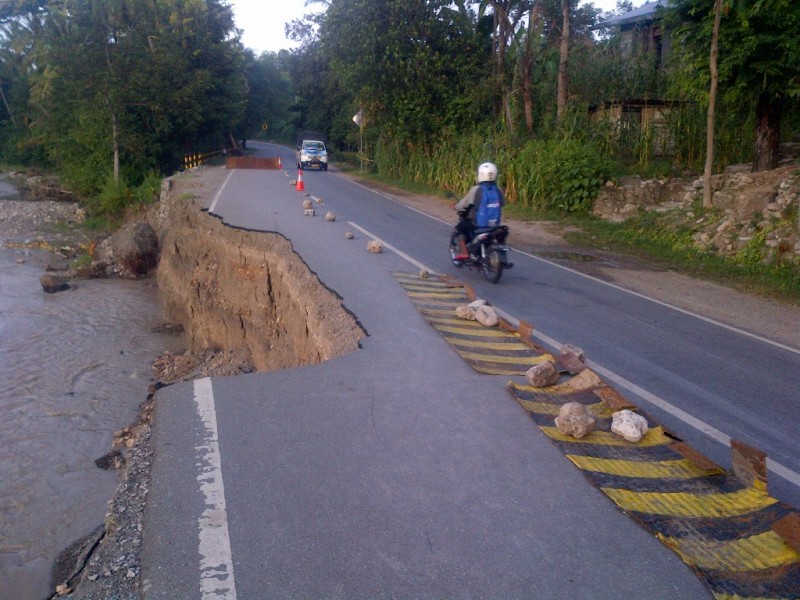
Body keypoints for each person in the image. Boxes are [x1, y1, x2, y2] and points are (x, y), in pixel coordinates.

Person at [453, 162, 505, 260]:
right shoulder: (498, 189)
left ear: (480, 174)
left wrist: (456, 206)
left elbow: (464, 203)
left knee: (460, 228)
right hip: (494, 225)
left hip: (478, 224)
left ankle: (464, 252)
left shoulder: (477, 189)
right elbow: (502, 203)